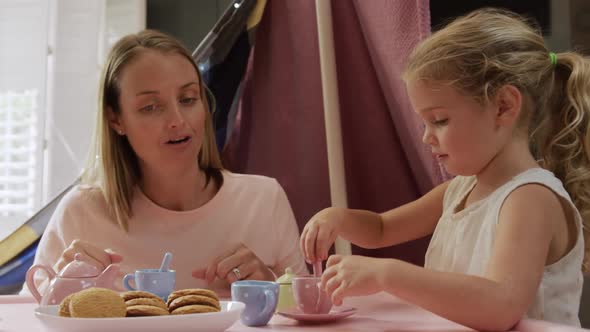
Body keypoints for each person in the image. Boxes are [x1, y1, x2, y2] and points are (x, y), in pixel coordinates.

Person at [300, 8, 589, 330]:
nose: (426, 137)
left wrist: (387, 275)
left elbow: (500, 307)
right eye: (424, 122)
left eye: (439, 120)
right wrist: (337, 219)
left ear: (504, 106)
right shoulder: (458, 191)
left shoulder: (530, 198)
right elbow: (381, 229)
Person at [23, 30, 307, 297]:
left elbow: (305, 315)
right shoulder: (80, 212)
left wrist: (270, 287)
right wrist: (61, 291)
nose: (178, 121)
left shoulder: (264, 200)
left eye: (188, 99)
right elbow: (27, 317)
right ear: (116, 120)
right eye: (150, 107)